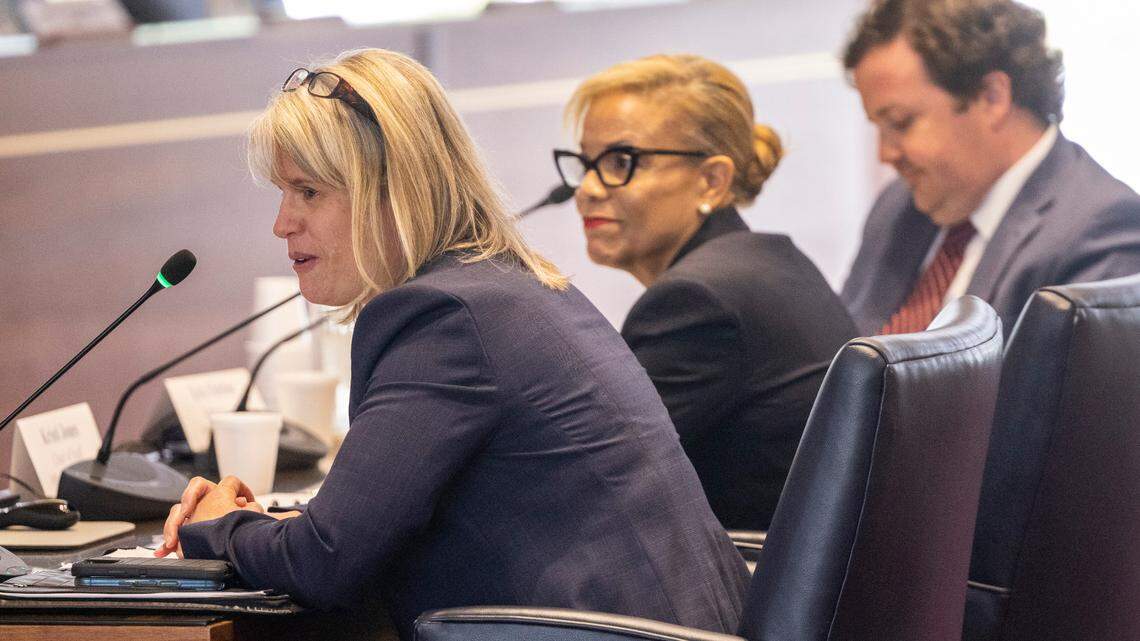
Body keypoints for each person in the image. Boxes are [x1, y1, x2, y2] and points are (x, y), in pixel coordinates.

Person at [154, 48, 748, 639]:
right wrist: (268, 526)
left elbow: (324, 564)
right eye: (283, 193)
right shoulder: (510, 286)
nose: (283, 223)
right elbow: (371, 527)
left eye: (308, 191)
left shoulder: (443, 318)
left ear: (395, 191)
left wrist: (219, 525)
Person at [556, 55, 857, 531]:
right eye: (586, 163)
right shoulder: (768, 263)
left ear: (712, 181)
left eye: (620, 162)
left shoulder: (695, 303)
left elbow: (580, 482)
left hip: (751, 575)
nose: (587, 190)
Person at [841, 0, 1140, 338]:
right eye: (878, 127)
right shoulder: (896, 207)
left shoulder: (1103, 228)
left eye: (900, 122)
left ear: (992, 97)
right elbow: (845, 351)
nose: (885, 154)